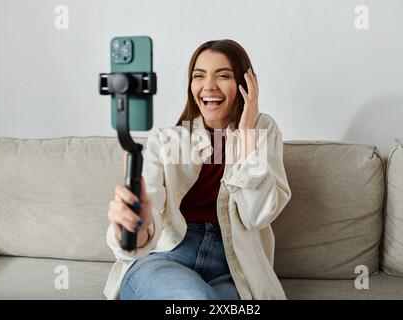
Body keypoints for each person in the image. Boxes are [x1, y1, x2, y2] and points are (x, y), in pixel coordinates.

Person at [104, 39, 291, 300]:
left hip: (232, 268)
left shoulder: (262, 131)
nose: (208, 86)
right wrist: (137, 227)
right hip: (168, 256)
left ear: (245, 85)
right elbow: (150, 209)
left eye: (223, 75)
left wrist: (248, 136)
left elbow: (257, 216)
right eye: (198, 76)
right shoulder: (167, 141)